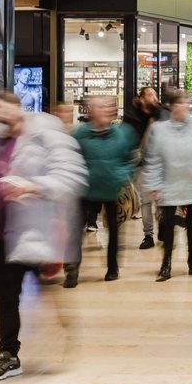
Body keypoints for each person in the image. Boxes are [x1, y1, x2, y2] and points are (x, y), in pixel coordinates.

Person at [0, 91, 87, 382]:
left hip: (31, 230)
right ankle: (8, 354)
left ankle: (62, 323)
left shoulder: (46, 135)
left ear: (16, 106)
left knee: (36, 284)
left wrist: (32, 187)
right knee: (4, 298)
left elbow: (72, 177)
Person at [140, 89, 192, 280]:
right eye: (180, 103)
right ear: (172, 106)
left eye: (186, 103)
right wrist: (154, 184)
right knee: (167, 224)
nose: (184, 107)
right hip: (169, 184)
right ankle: (166, 263)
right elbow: (154, 158)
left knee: (190, 223)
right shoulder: (160, 130)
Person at [70, 95, 139, 283]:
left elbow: (129, 160)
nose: (108, 110)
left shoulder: (121, 134)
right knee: (77, 231)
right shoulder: (80, 134)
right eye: (102, 107)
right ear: (91, 111)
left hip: (112, 190)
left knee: (115, 233)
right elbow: (72, 160)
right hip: (87, 190)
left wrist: (121, 175)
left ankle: (112, 267)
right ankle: (73, 269)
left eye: (110, 107)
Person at [126, 86, 163, 247]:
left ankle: (163, 229)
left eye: (155, 94)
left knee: (161, 200)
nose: (153, 97)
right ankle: (148, 236)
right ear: (141, 99)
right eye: (149, 94)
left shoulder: (161, 115)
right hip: (140, 164)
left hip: (159, 163)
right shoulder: (132, 117)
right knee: (146, 201)